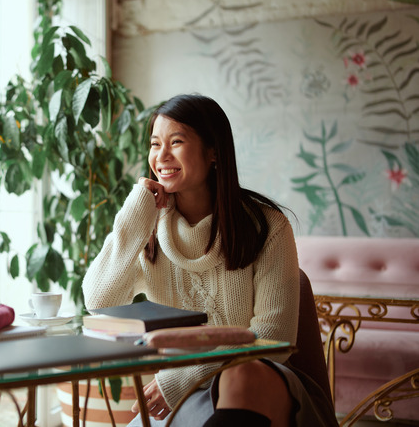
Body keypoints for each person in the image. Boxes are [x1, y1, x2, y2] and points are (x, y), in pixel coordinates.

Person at [82, 94, 337, 426]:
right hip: (186, 396)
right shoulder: (148, 230)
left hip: (264, 389)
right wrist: (135, 212)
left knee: (241, 375)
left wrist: (182, 378)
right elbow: (99, 302)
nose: (161, 156)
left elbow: (274, 339)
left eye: (176, 142)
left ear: (214, 152)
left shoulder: (268, 227)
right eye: (155, 143)